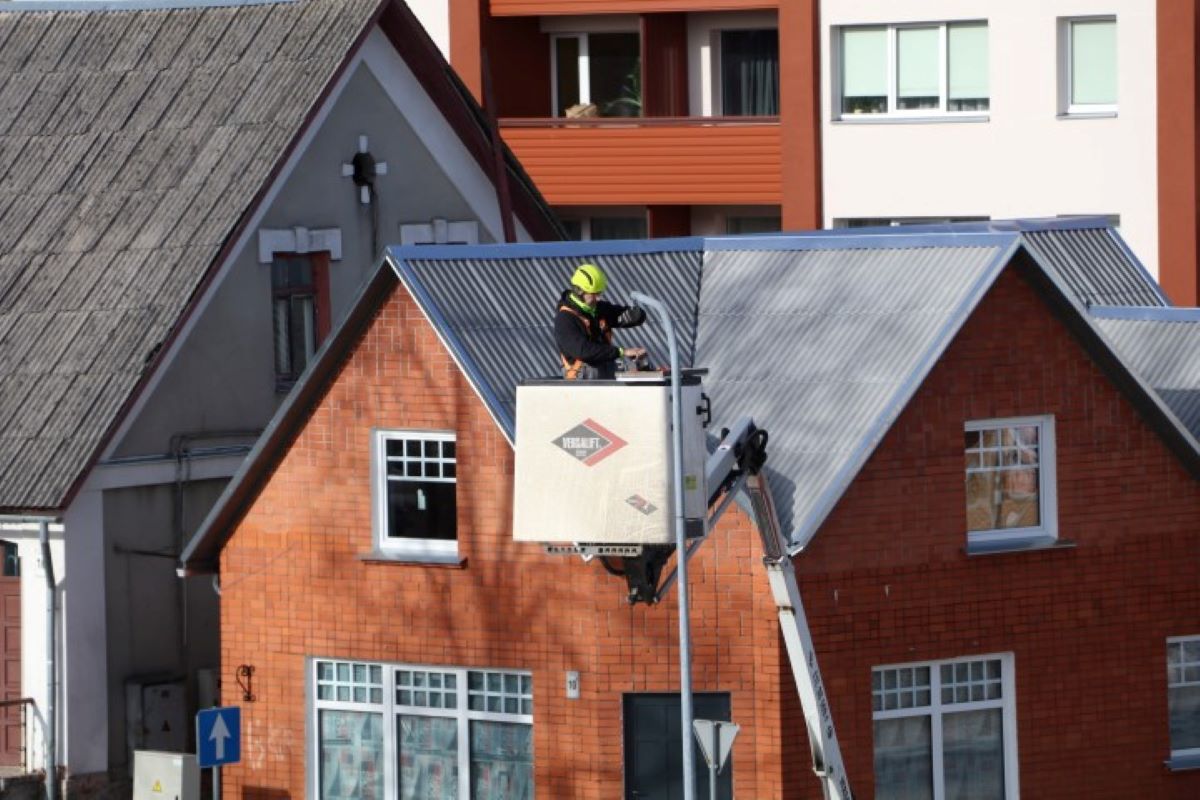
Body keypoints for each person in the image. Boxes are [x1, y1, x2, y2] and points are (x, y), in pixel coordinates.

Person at [554, 263, 647, 379]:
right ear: (579, 291)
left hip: (604, 370)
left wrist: (636, 316)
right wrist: (622, 352)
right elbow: (584, 351)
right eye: (594, 294)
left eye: (599, 293)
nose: (598, 298)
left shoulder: (599, 309)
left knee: (638, 368)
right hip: (582, 379)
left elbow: (625, 315)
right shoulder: (565, 319)